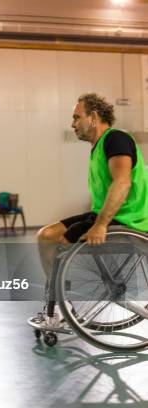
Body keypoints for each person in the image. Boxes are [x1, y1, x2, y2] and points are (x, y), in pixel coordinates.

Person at [36, 93, 147, 324]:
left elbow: (123, 182)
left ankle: (58, 306)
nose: (72, 123)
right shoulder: (98, 147)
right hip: (107, 216)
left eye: (77, 117)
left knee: (61, 245)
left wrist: (101, 225)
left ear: (94, 117)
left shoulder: (115, 139)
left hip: (129, 222)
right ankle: (61, 302)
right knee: (47, 236)